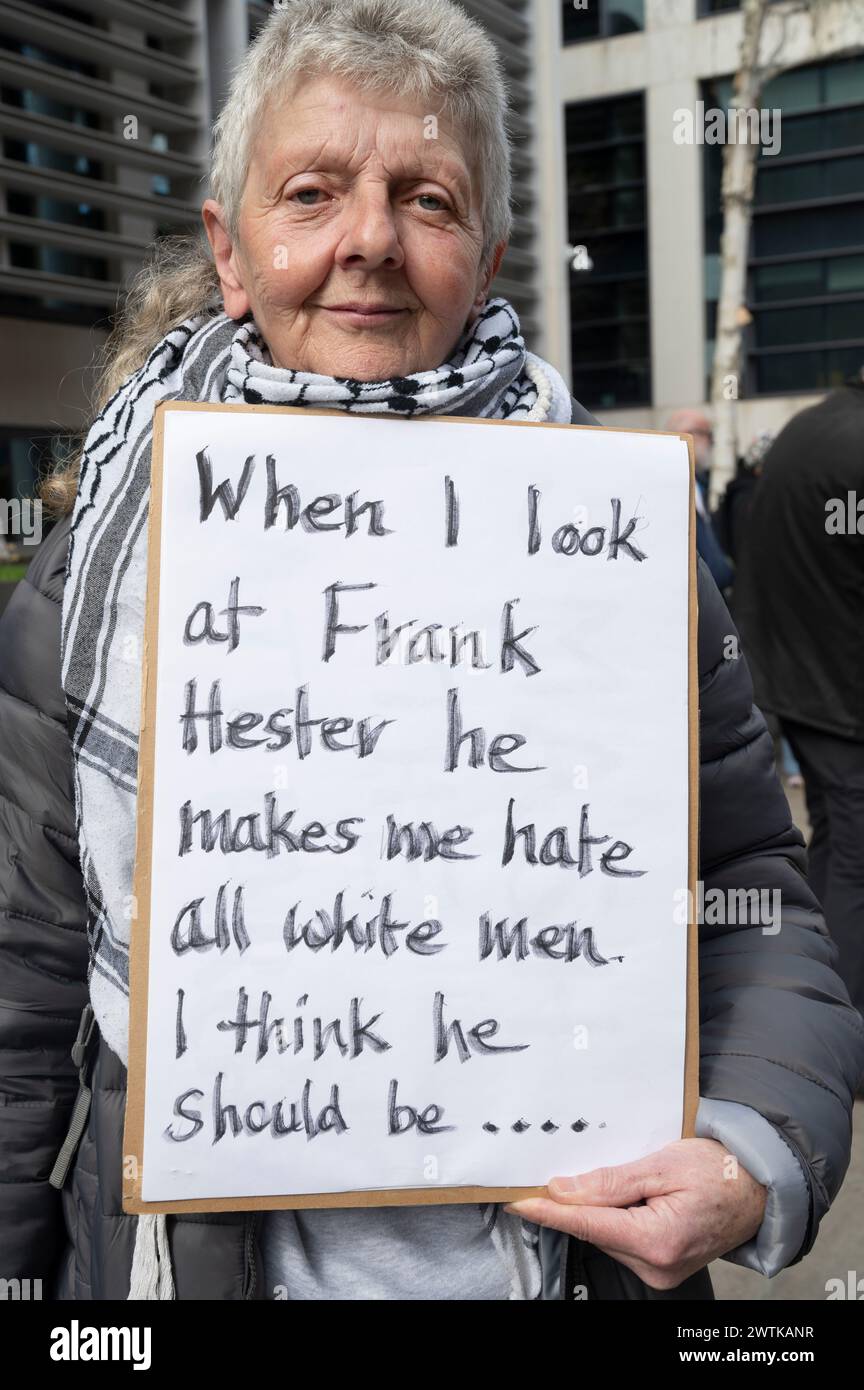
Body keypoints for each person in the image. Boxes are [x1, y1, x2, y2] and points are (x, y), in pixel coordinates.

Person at [1, 0, 862, 1303]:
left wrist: (753, 1146)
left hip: (568, 1270)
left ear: (490, 256)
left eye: (428, 200)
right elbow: (24, 979)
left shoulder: (612, 539)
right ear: (233, 254)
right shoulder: (100, 566)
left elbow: (744, 879)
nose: (369, 243)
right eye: (312, 192)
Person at [735, 369, 864, 1021]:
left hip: (802, 682)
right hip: (842, 692)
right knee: (854, 868)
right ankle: (842, 1026)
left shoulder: (811, 427)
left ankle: (813, 1005)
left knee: (837, 848)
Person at [664, 409, 733, 593]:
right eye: (708, 434)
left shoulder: (699, 484)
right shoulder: (670, 487)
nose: (711, 442)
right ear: (689, 435)